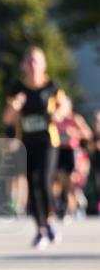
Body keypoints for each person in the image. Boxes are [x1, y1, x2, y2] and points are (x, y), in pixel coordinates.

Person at [3, 47, 61, 249]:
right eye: (29, 61)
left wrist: (59, 114)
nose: (33, 65)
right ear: (23, 66)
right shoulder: (17, 88)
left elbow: (65, 105)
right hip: (26, 142)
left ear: (43, 65)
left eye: (37, 61)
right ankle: (41, 229)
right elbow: (8, 119)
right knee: (32, 184)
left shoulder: (51, 86)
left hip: (48, 142)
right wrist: (15, 106)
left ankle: (49, 219)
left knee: (44, 181)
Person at [52, 92, 92, 220]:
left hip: (71, 151)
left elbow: (88, 134)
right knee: (57, 181)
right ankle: (58, 207)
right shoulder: (55, 119)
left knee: (69, 181)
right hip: (58, 151)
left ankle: (71, 209)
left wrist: (74, 132)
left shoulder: (75, 118)